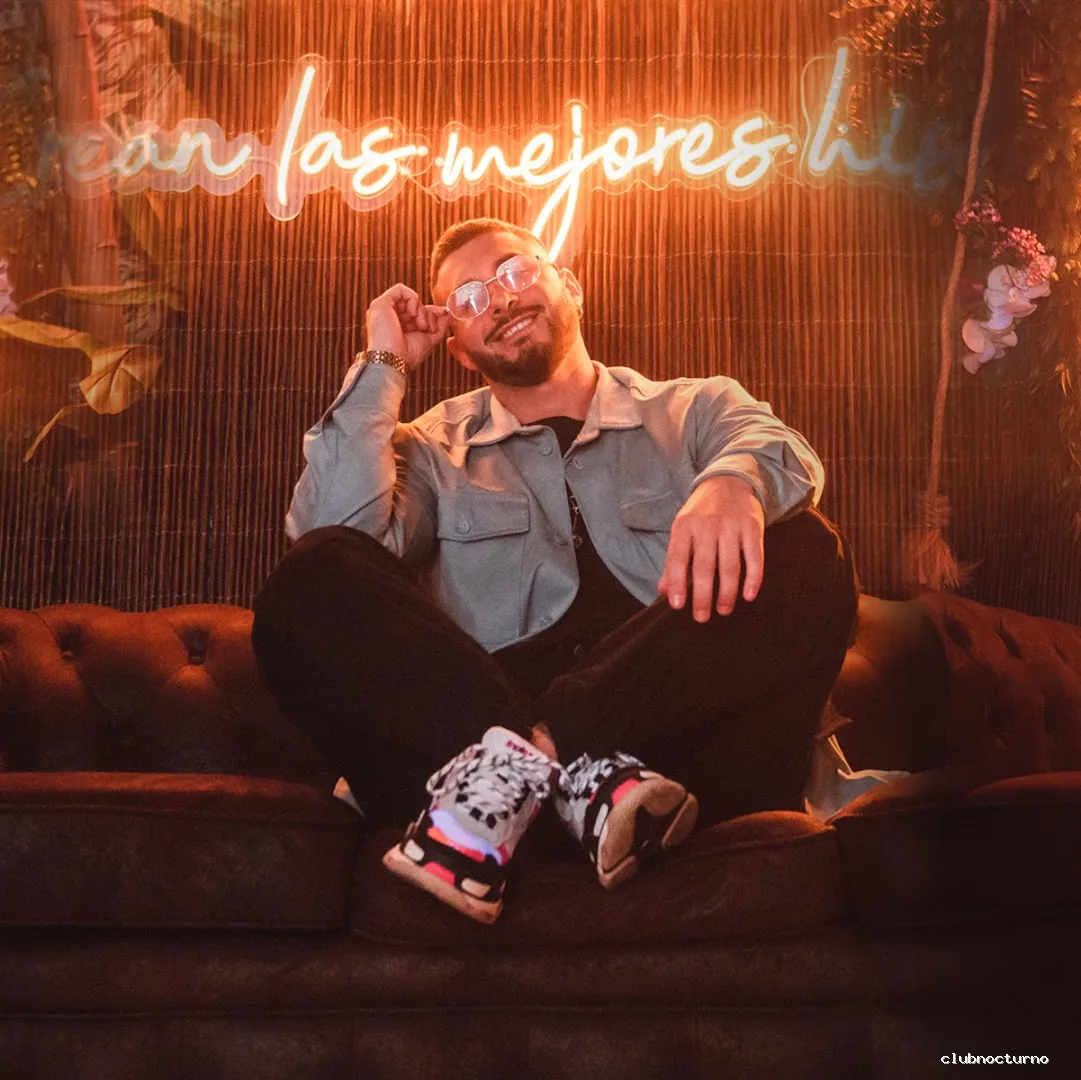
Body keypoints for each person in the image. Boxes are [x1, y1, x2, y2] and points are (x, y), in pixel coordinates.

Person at [251, 217, 859, 925]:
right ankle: (550, 780)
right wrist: (384, 362)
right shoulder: (428, 451)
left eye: (514, 272)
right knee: (312, 573)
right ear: (459, 351)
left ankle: (535, 763)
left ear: (569, 285)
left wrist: (734, 483)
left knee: (808, 549)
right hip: (472, 757)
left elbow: (776, 448)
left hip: (679, 752)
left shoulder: (693, 408)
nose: (501, 299)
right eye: (471, 298)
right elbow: (337, 535)